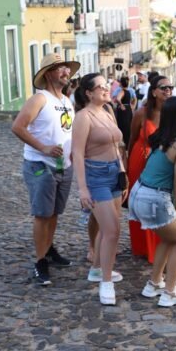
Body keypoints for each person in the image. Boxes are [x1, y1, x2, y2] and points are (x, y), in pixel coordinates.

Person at [11, 53, 80, 286]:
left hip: (64, 165)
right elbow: (18, 127)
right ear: (48, 73)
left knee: (54, 212)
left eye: (67, 68)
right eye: (61, 68)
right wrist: (43, 147)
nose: (66, 72)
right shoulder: (39, 99)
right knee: (42, 214)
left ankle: (49, 249)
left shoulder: (66, 101)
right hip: (40, 165)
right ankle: (40, 261)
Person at [129, 97, 176, 307]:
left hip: (139, 193)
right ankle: (170, 292)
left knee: (168, 238)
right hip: (155, 198)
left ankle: (154, 283)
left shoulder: (162, 138)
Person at [71, 73, 127, 305]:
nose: (106, 89)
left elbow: (116, 145)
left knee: (108, 228)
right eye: (101, 87)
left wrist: (122, 172)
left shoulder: (107, 111)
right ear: (88, 93)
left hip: (114, 173)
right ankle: (106, 282)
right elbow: (77, 153)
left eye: (107, 85)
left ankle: (97, 269)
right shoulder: (83, 117)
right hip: (96, 177)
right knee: (112, 230)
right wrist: (83, 188)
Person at [113, 76, 136, 146]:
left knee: (124, 125)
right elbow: (134, 99)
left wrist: (121, 105)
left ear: (120, 83)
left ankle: (124, 142)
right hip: (127, 109)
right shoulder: (128, 91)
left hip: (124, 110)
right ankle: (127, 142)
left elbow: (117, 98)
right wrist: (132, 106)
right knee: (127, 126)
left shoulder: (122, 91)